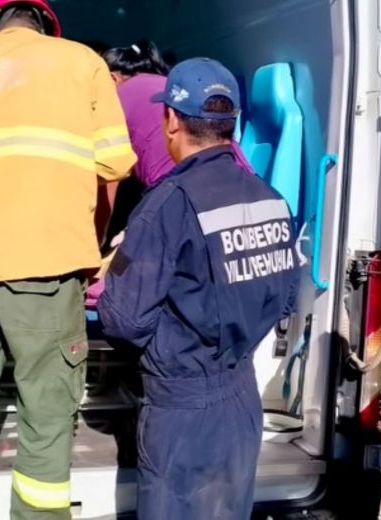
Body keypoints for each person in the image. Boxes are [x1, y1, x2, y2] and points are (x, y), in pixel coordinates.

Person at [0, 1, 136, 518]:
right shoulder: (80, 63)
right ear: (44, 24)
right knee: (47, 406)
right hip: (44, 264)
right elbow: (115, 161)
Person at [97, 58, 300, 519]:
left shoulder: (165, 204)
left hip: (181, 407)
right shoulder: (270, 200)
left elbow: (123, 320)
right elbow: (283, 297)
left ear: (170, 119)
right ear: (231, 124)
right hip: (242, 399)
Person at [86, 42, 257, 307]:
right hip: (236, 192)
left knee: (105, 290)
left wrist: (92, 259)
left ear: (111, 79)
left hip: (186, 202)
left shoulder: (116, 101)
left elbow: (106, 190)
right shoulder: (165, 87)